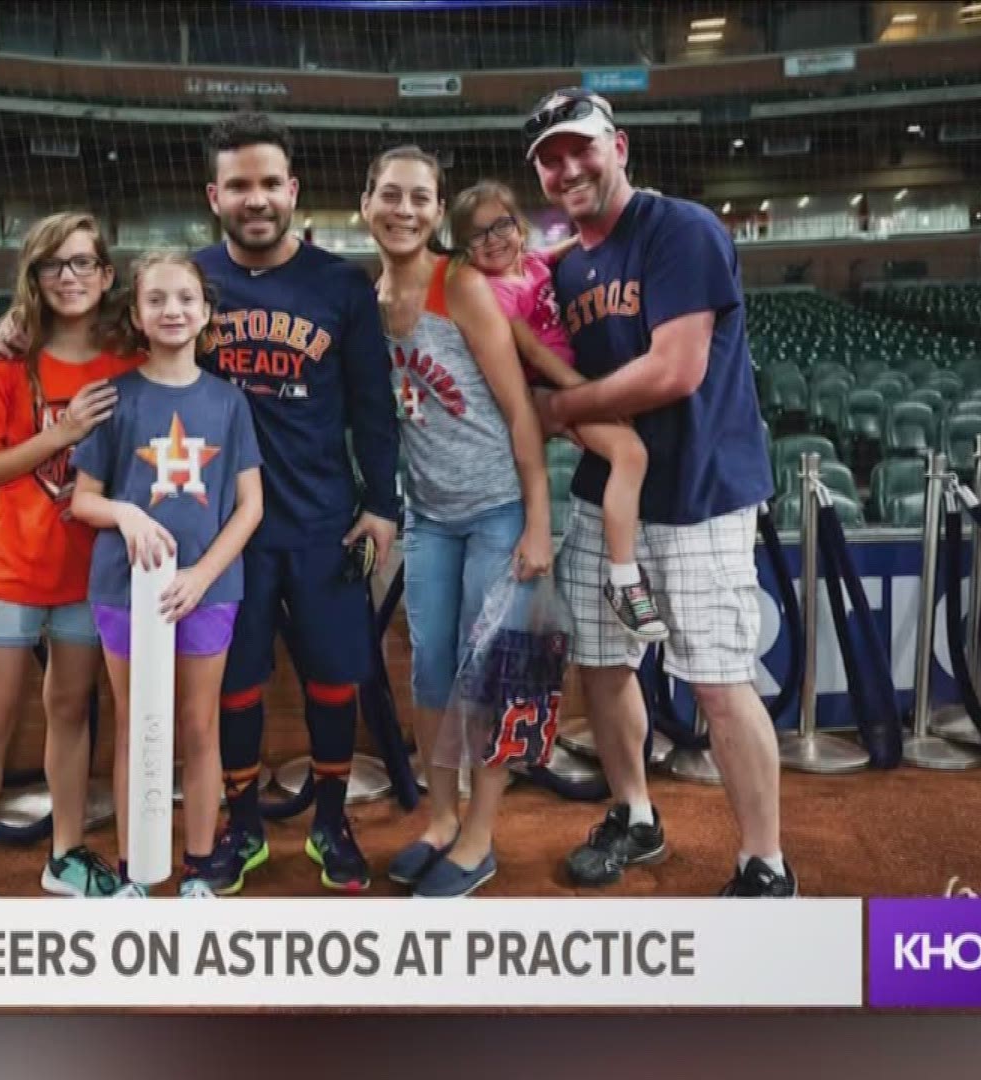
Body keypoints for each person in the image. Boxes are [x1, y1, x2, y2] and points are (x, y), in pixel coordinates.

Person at [522, 88, 795, 898]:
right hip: (606, 495)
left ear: (620, 146)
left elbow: (677, 370)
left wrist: (562, 411)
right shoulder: (565, 266)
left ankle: (765, 863)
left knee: (716, 679)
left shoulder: (680, 230)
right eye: (550, 158)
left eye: (581, 149)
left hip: (701, 491)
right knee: (604, 665)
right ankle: (634, 813)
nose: (568, 168)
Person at [188, 112, 403, 894]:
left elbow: (374, 408)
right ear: (215, 195)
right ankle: (242, 828)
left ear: (294, 190)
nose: (256, 198)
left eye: (269, 183)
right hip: (222, 534)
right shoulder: (191, 278)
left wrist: (382, 505)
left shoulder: (342, 284)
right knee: (236, 682)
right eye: (238, 184)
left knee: (333, 678)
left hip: (324, 521)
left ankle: (332, 821)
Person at [363, 146, 554, 898]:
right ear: (367, 202)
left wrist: (537, 519)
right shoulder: (368, 301)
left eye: (419, 198)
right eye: (390, 195)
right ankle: (440, 820)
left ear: (437, 213)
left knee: (491, 673)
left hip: (497, 511)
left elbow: (518, 409)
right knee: (430, 669)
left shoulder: (462, 284)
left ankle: (479, 837)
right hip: (430, 516)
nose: (404, 210)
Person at [0, 211, 142, 899]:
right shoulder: (6, 362)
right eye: (54, 265)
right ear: (33, 276)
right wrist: (61, 432)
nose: (69, 277)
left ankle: (66, 855)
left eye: (83, 262)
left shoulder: (128, 359)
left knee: (70, 710)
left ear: (106, 273)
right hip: (11, 568)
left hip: (90, 573)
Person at [69, 251, 265, 898]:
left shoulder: (229, 402)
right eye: (157, 299)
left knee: (199, 725)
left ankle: (201, 870)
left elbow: (250, 505)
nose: (172, 310)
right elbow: (84, 499)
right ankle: (136, 871)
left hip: (207, 591)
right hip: (125, 591)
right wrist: (125, 515)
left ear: (206, 312)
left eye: (185, 298)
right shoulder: (116, 397)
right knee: (135, 724)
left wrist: (204, 575)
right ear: (136, 313)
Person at [449, 179, 669, 643]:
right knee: (631, 454)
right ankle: (625, 578)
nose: (493, 240)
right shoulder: (491, 293)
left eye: (502, 226)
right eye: (478, 234)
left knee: (630, 454)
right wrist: (588, 393)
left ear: (519, 227)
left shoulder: (529, 264)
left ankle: (625, 566)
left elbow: (557, 252)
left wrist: (613, 223)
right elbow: (534, 352)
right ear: (465, 248)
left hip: (566, 388)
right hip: (546, 389)